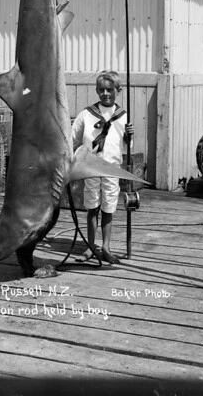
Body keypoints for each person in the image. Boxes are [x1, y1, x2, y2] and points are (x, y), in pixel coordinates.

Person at [71, 70, 134, 264]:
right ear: (97, 91)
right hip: (91, 166)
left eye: (109, 90)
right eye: (101, 90)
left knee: (109, 206)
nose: (105, 93)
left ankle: (105, 246)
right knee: (92, 206)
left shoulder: (123, 116)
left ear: (118, 90)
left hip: (111, 167)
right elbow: (72, 138)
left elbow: (126, 145)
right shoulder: (86, 114)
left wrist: (129, 135)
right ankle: (91, 247)